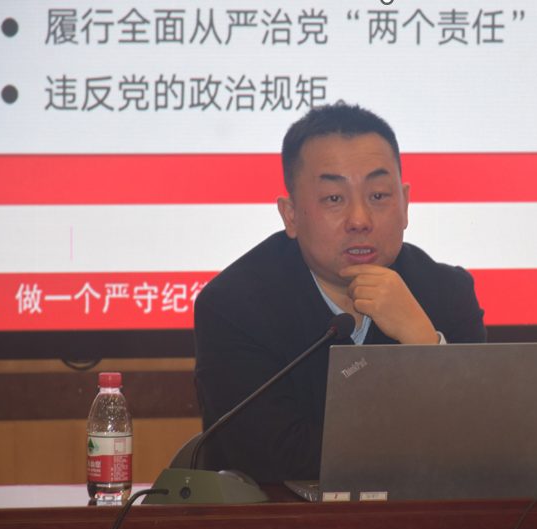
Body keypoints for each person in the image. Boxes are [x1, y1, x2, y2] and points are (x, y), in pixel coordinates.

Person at [193, 104, 486, 483]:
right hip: (280, 518)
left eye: (378, 196)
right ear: (290, 215)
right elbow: (274, 459)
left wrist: (424, 343)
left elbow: (487, 446)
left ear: (405, 205)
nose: (360, 220)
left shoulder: (448, 293)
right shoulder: (235, 307)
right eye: (334, 198)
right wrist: (423, 446)